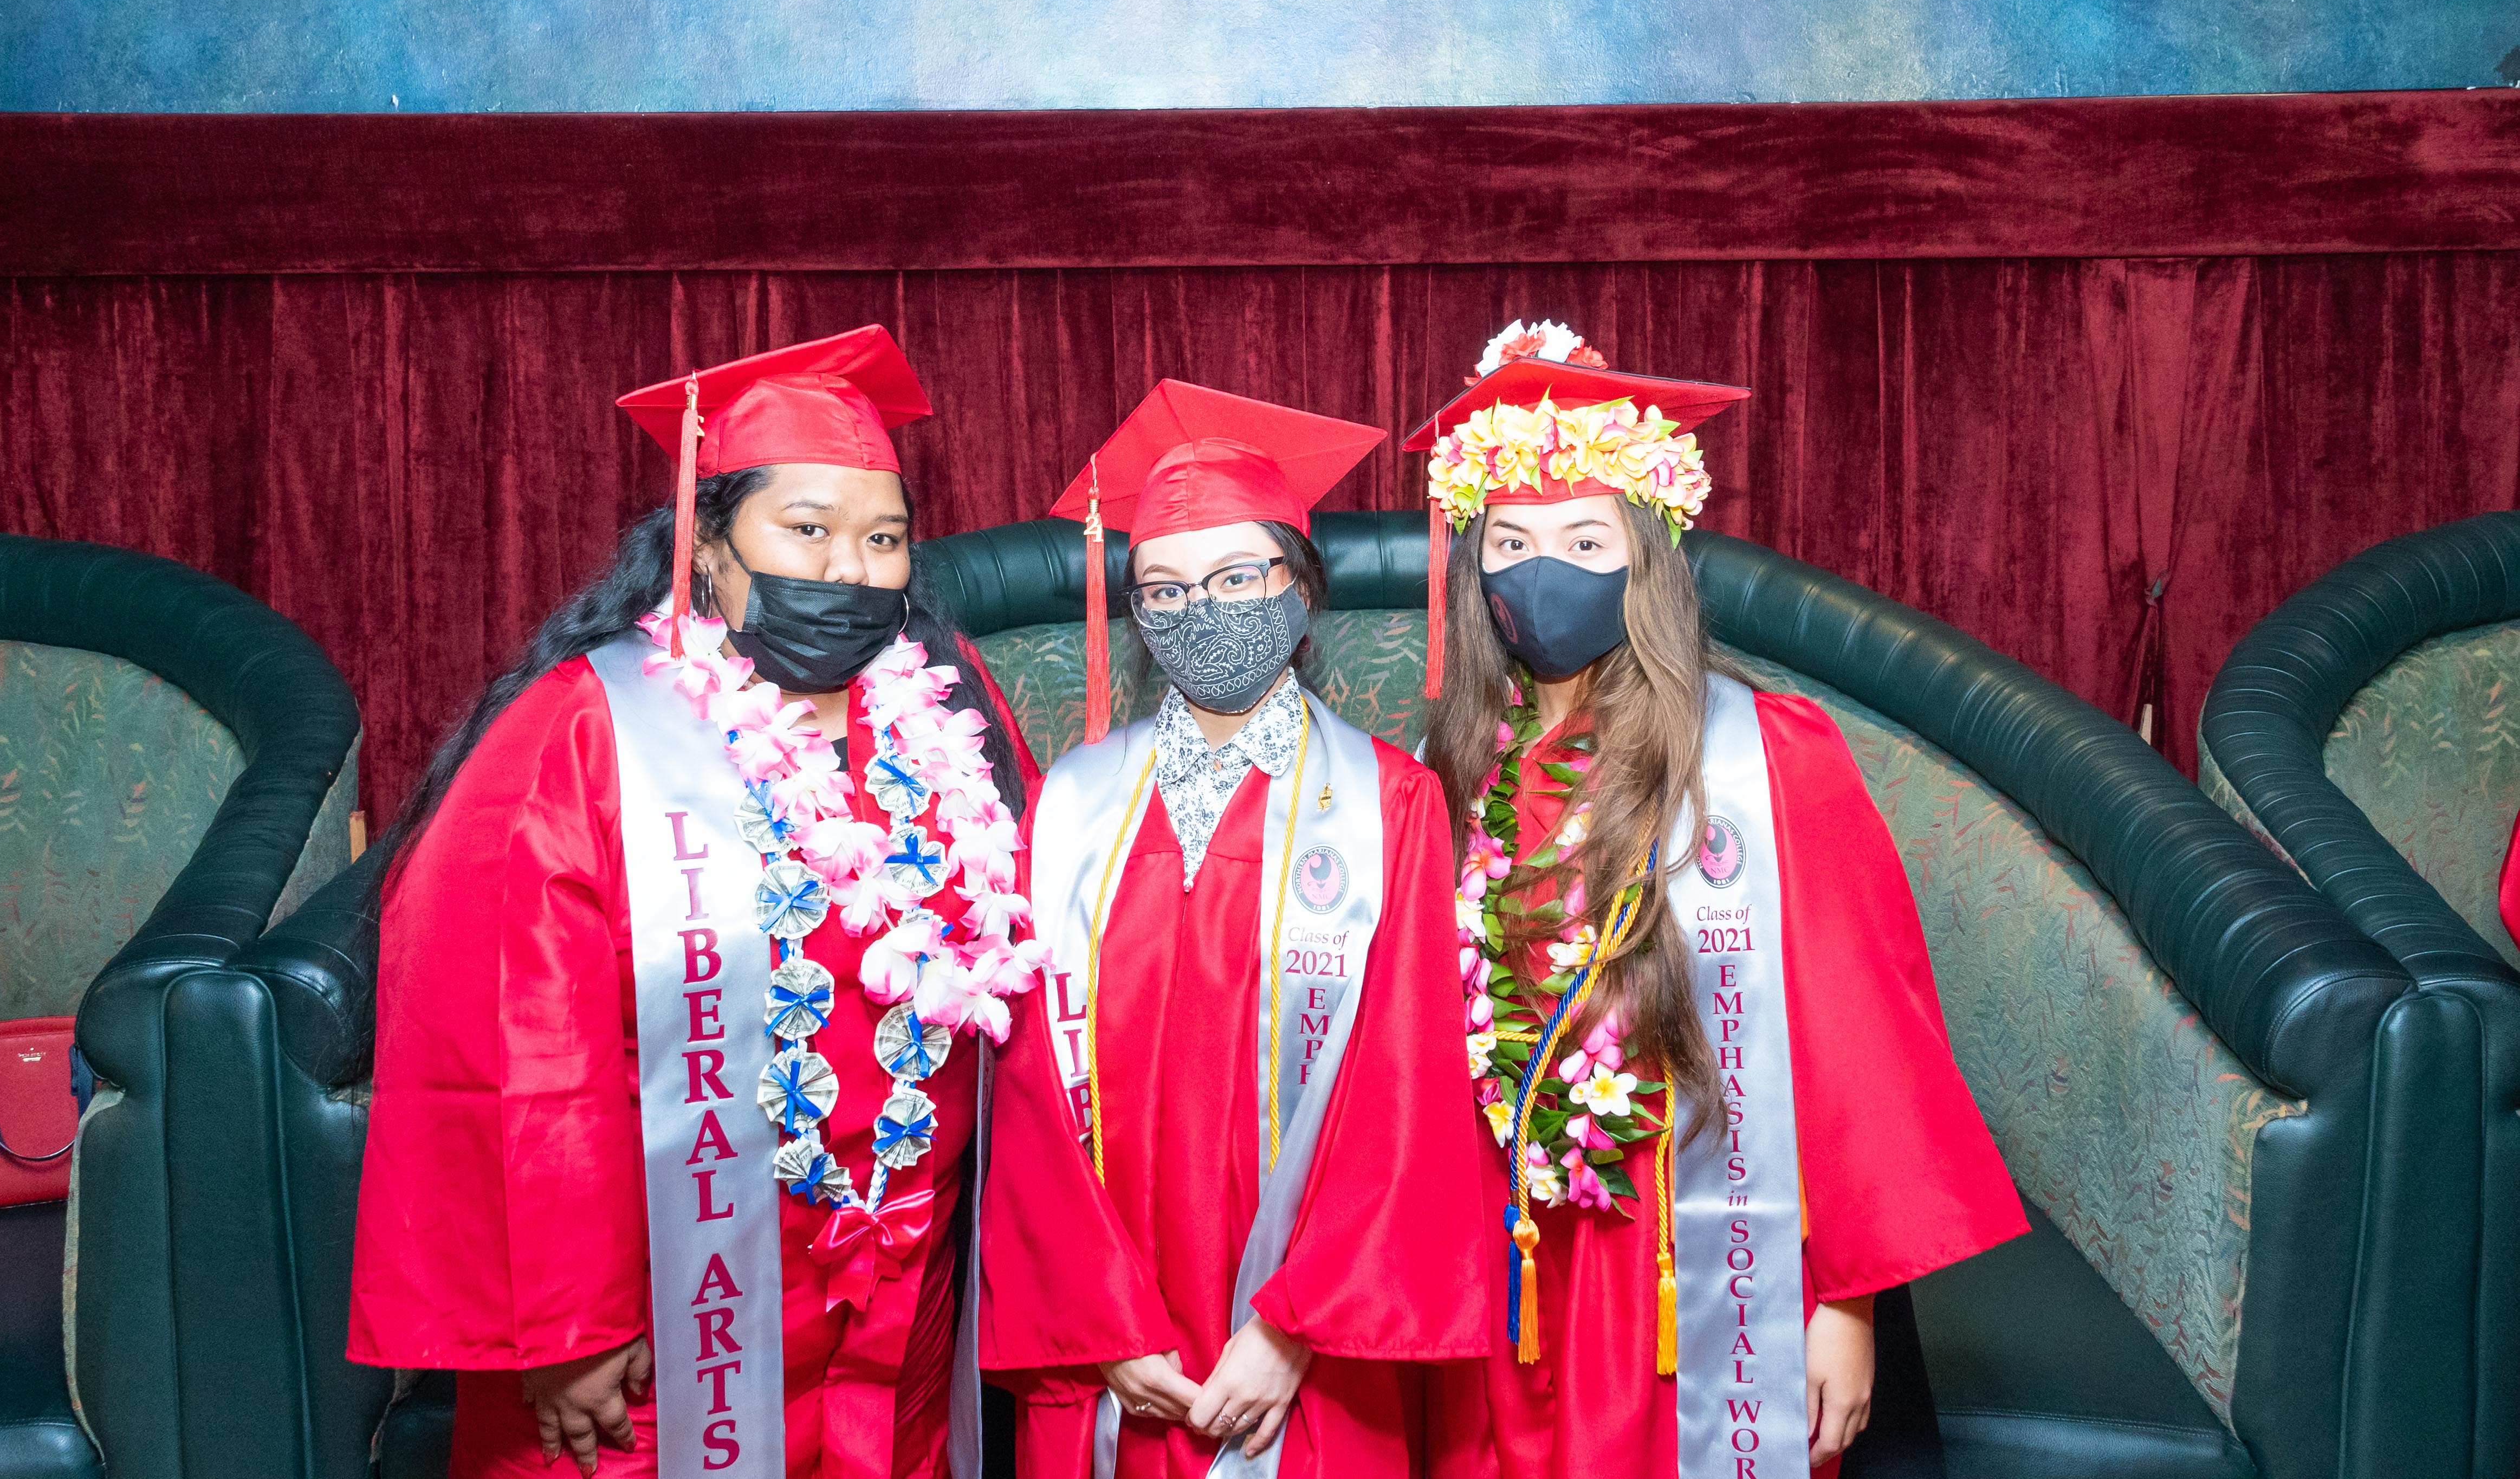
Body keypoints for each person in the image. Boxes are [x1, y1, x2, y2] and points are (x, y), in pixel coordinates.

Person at [348, 325, 1051, 1478]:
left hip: (897, 1304)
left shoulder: (953, 718)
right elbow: (513, 1048)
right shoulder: (592, 730)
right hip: (668, 1316)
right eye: (808, 529)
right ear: (708, 546)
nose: (848, 568)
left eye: (883, 538)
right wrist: (566, 1326)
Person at [1411, 322, 2026, 1478]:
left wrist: (1843, 1305)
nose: (1543, 572)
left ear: (1647, 557)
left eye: (1586, 540)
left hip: (1691, 1258)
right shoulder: (1450, 772)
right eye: (1511, 542)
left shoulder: (1761, 758)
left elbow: (1856, 1040)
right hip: (1507, 1269)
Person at [979, 380, 1490, 1477]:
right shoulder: (1071, 805)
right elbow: (1024, 1089)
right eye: (1165, 589)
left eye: (1236, 577)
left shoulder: (1389, 802)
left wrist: (1294, 1325)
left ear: (1300, 589)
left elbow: (1407, 1083)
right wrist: (1105, 1325)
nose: (1200, 610)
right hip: (1113, 1341)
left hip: (1311, 1348)